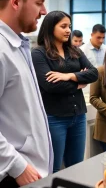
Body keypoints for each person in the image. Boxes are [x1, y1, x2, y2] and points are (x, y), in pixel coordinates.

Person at [0, 0, 53, 188]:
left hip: (31, 171)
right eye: (39, 3)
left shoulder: (19, 44)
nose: (44, 11)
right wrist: (17, 165)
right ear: (16, 2)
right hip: (12, 175)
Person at [32, 11, 98, 173]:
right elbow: (51, 86)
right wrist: (78, 83)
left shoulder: (75, 51)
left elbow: (94, 73)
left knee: (76, 165)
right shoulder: (38, 53)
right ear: (50, 28)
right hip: (54, 118)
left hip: (79, 116)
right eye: (63, 26)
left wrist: (69, 75)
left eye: (69, 26)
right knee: (53, 167)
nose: (68, 30)